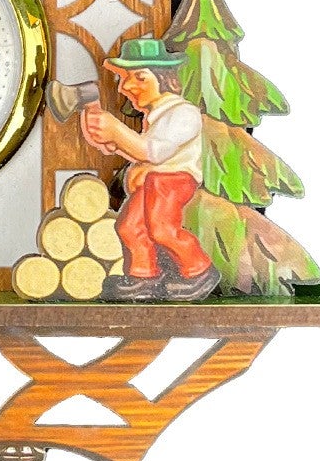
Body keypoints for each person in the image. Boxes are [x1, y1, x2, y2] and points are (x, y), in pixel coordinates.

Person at [78, 37, 219, 302]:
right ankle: (143, 275)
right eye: (126, 78)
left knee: (162, 229)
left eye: (139, 77)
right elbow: (143, 153)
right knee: (129, 226)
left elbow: (154, 152)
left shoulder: (183, 113)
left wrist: (116, 130)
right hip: (154, 180)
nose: (126, 86)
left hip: (173, 181)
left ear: (164, 79)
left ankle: (198, 269)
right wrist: (112, 140)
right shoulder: (157, 116)